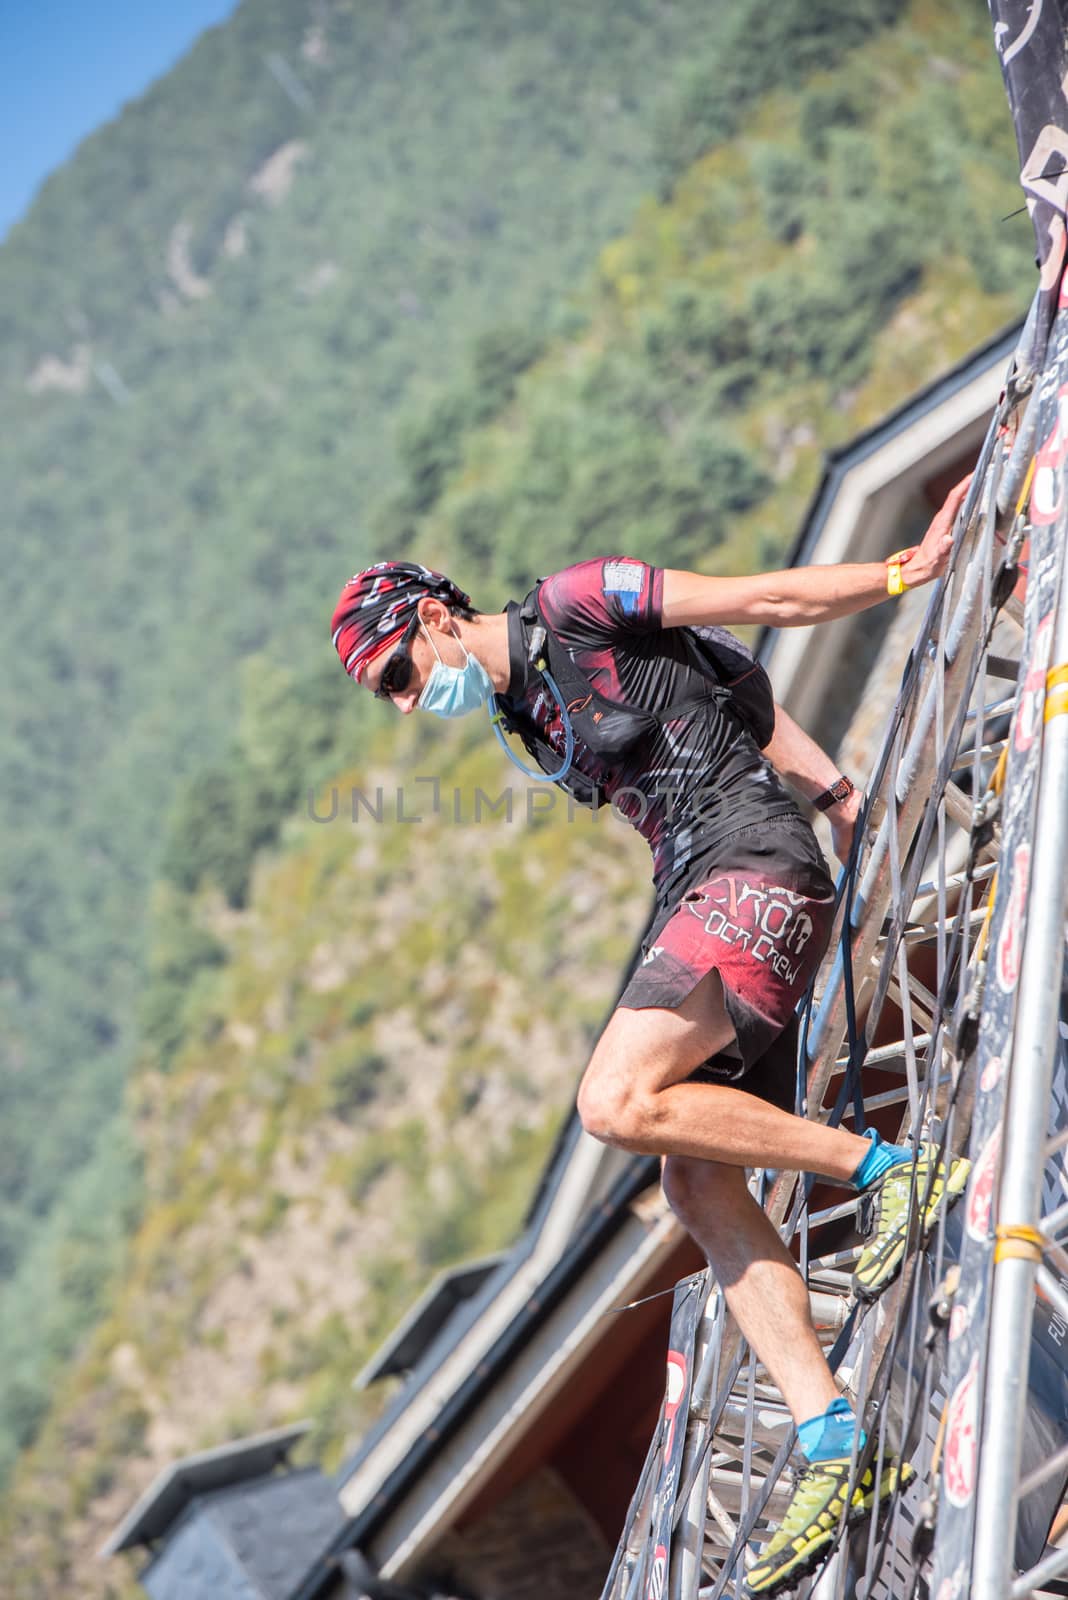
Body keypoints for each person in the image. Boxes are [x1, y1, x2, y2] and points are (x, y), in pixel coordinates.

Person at [330, 476, 971, 1597]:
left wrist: (903, 572)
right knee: (694, 1185)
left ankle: (896, 1174)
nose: (400, 705)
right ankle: (834, 1442)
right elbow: (735, 695)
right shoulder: (528, 721)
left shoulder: (580, 603)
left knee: (610, 1101)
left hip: (747, 865)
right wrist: (844, 795)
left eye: (395, 675)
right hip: (709, 882)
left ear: (431, 615)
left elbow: (754, 607)